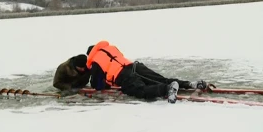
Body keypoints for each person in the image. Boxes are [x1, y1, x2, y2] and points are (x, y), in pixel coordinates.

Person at [85, 40, 214, 104]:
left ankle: (167, 89)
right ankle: (191, 84)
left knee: (141, 91)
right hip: (135, 66)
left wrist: (105, 83)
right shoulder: (110, 49)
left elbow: (96, 85)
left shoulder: (96, 61)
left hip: (124, 77)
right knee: (159, 79)